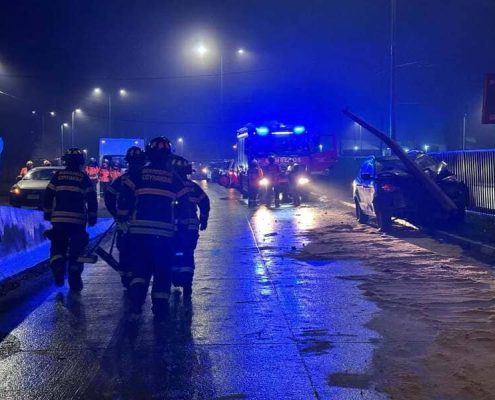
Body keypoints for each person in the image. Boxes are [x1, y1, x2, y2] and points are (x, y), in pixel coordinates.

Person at [117, 136, 187, 322]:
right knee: (162, 270)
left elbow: (124, 198)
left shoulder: (137, 174)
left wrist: (122, 216)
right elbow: (185, 204)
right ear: (168, 156)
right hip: (164, 235)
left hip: (138, 233)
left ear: (148, 154)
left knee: (140, 268)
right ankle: (161, 311)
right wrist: (182, 226)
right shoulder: (173, 178)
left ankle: (136, 303)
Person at [43, 148, 97, 291]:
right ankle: (75, 272)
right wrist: (92, 215)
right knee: (77, 249)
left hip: (59, 219)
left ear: (65, 160)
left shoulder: (58, 176)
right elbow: (91, 198)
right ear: (81, 161)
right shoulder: (83, 177)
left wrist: (47, 212)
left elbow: (48, 195)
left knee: (58, 246)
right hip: (78, 220)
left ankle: (58, 265)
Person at [104, 146, 146, 289]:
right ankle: (138, 278)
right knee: (142, 251)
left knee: (125, 250)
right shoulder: (148, 179)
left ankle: (127, 278)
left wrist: (115, 214)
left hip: (124, 223)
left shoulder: (121, 180)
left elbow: (109, 196)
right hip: (144, 223)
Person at [172, 163, 210, 303]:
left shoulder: (170, 185)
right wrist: (203, 220)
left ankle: (174, 278)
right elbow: (205, 202)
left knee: (171, 253)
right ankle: (187, 286)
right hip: (191, 228)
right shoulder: (193, 187)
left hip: (172, 228)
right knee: (188, 253)